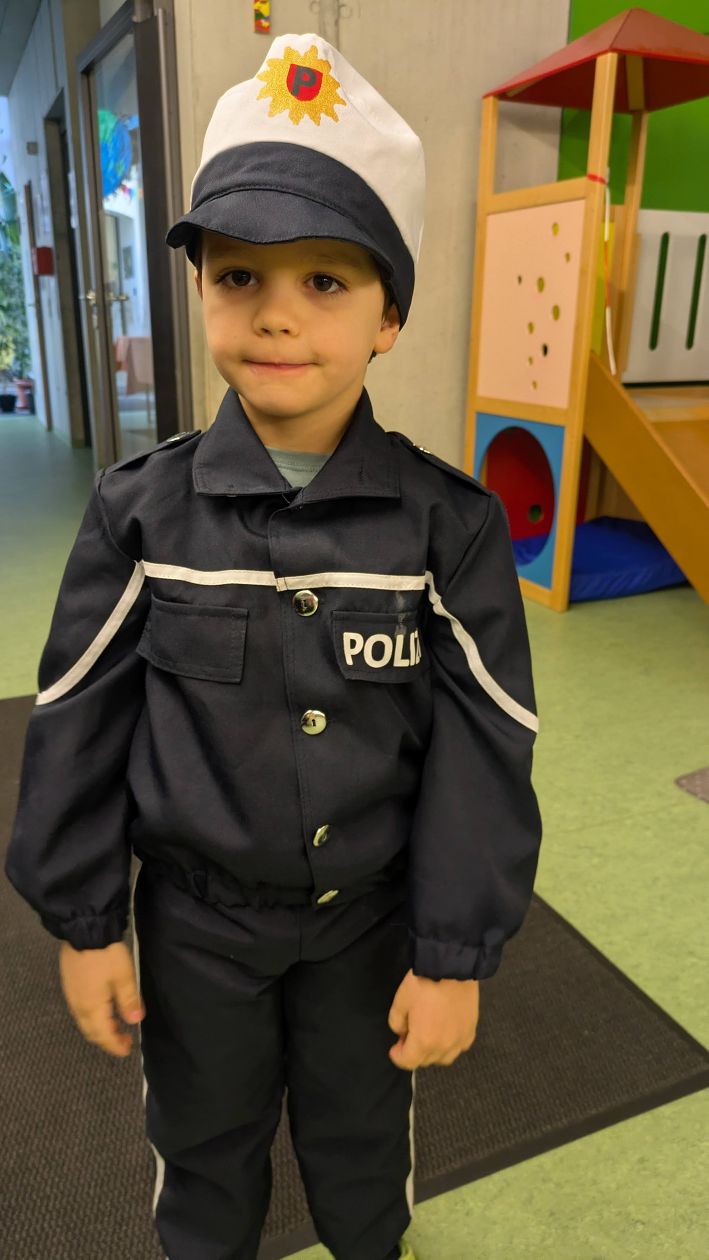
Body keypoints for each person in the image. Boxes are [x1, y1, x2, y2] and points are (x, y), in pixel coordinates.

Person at [4, 32, 542, 1260]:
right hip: (195, 930)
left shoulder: (448, 528)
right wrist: (85, 922)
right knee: (202, 1153)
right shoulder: (139, 514)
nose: (277, 314)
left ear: (390, 314)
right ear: (200, 287)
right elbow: (77, 716)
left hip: (371, 926)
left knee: (363, 1154)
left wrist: (454, 953)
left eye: (326, 280)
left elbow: (487, 739)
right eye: (239, 274)